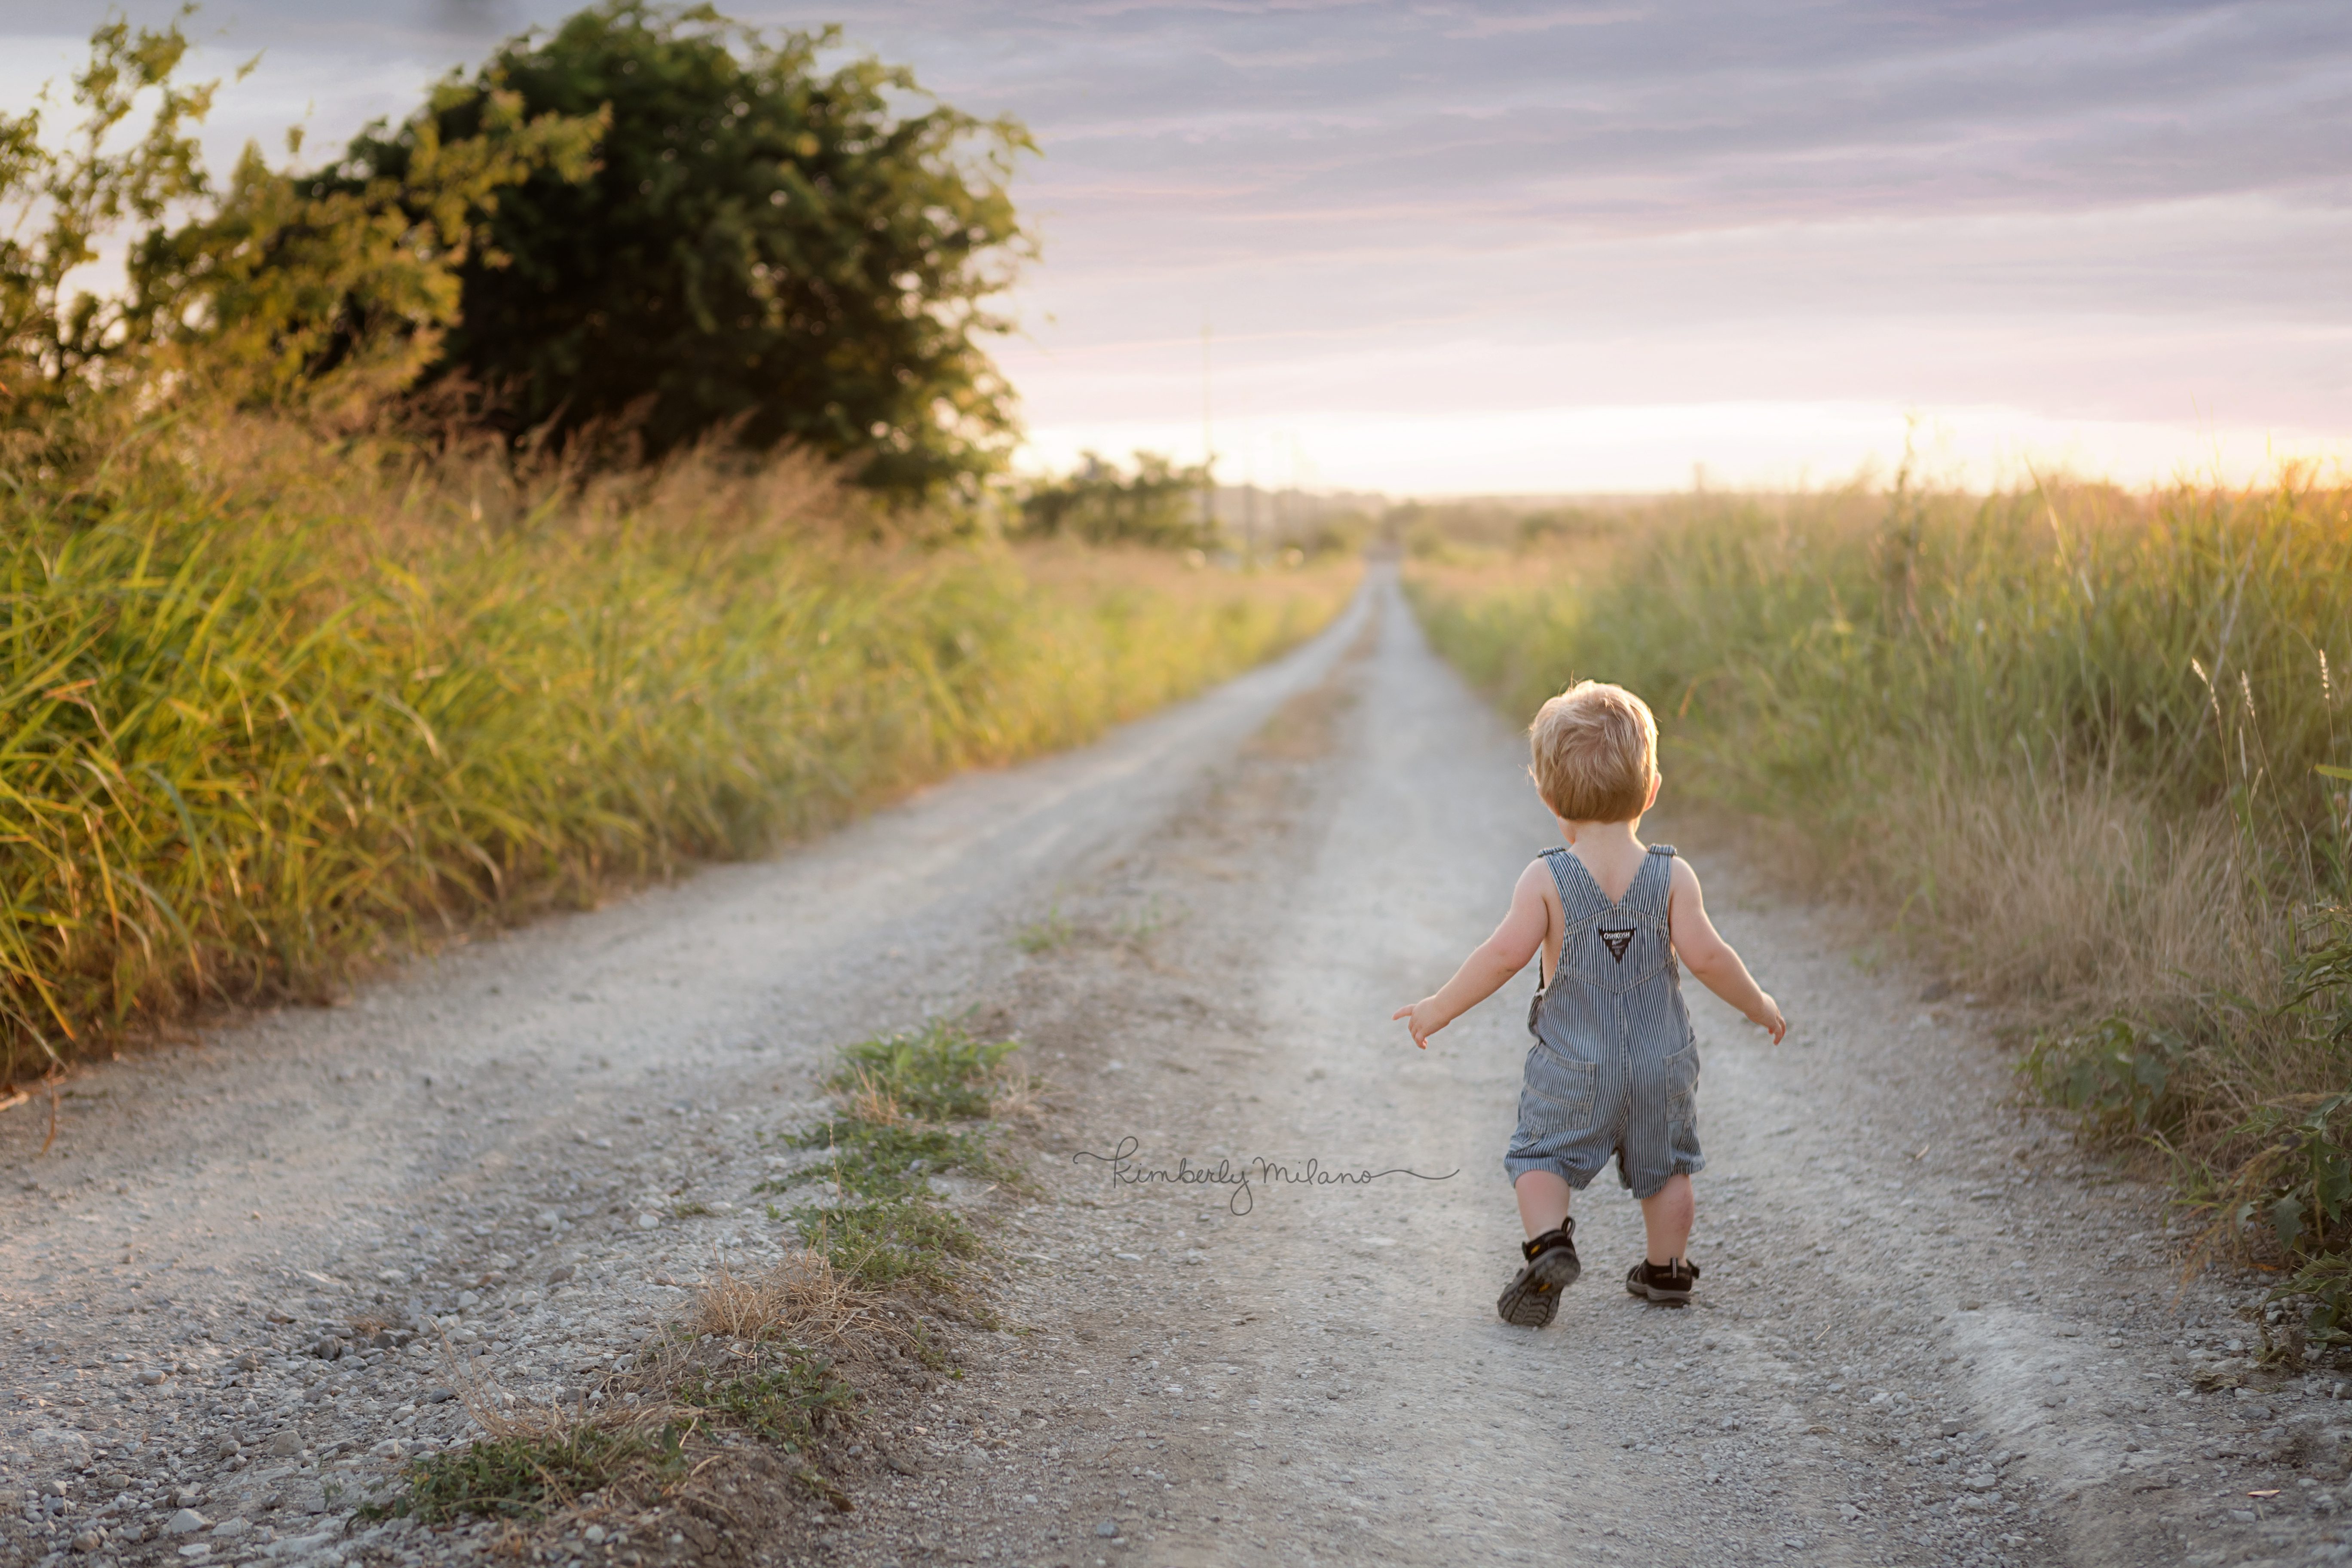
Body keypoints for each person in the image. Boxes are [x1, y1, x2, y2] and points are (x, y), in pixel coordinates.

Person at [1392, 679, 1787, 1326]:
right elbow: (1710, 957)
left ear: (1548, 797)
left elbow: (1501, 957)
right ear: (1652, 789)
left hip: (1575, 1063)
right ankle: (1667, 1269)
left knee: (1540, 1156)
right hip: (1662, 1062)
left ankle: (1550, 1247)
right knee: (1667, 1168)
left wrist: (1439, 1006)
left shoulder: (1546, 878)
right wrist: (1760, 1003)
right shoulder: (1672, 876)